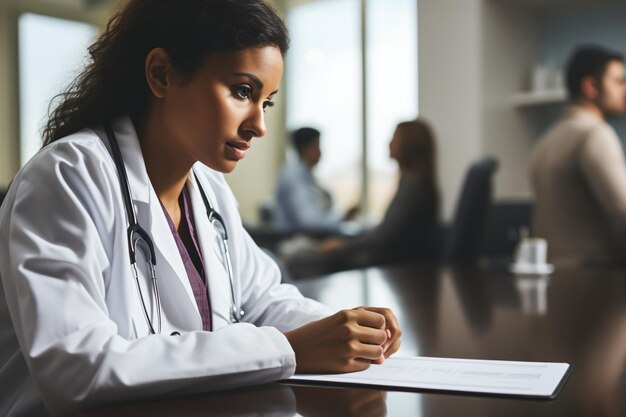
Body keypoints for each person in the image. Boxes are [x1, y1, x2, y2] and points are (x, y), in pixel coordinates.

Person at [0, 1, 401, 415]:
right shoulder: (67, 176)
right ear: (162, 74)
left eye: (266, 102)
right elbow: (76, 369)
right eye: (242, 91)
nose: (259, 126)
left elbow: (263, 299)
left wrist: (348, 326)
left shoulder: (209, 188)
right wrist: (289, 347)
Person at [285, 119, 440, 277]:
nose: (389, 142)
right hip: (386, 256)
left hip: (392, 261)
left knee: (305, 257)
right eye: (317, 146)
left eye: (394, 137)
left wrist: (342, 245)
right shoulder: (414, 183)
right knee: (300, 253)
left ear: (409, 144)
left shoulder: (412, 186)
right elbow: (310, 221)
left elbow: (385, 235)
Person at [529, 45, 626, 266]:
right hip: (598, 282)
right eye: (619, 82)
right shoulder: (595, 134)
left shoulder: (544, 143)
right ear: (591, 86)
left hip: (556, 281)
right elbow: (623, 212)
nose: (625, 90)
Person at [274, 127, 359, 232]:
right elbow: (309, 222)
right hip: (296, 240)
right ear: (303, 148)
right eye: (316, 146)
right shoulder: (294, 177)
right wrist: (342, 217)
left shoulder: (308, 176)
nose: (320, 152)